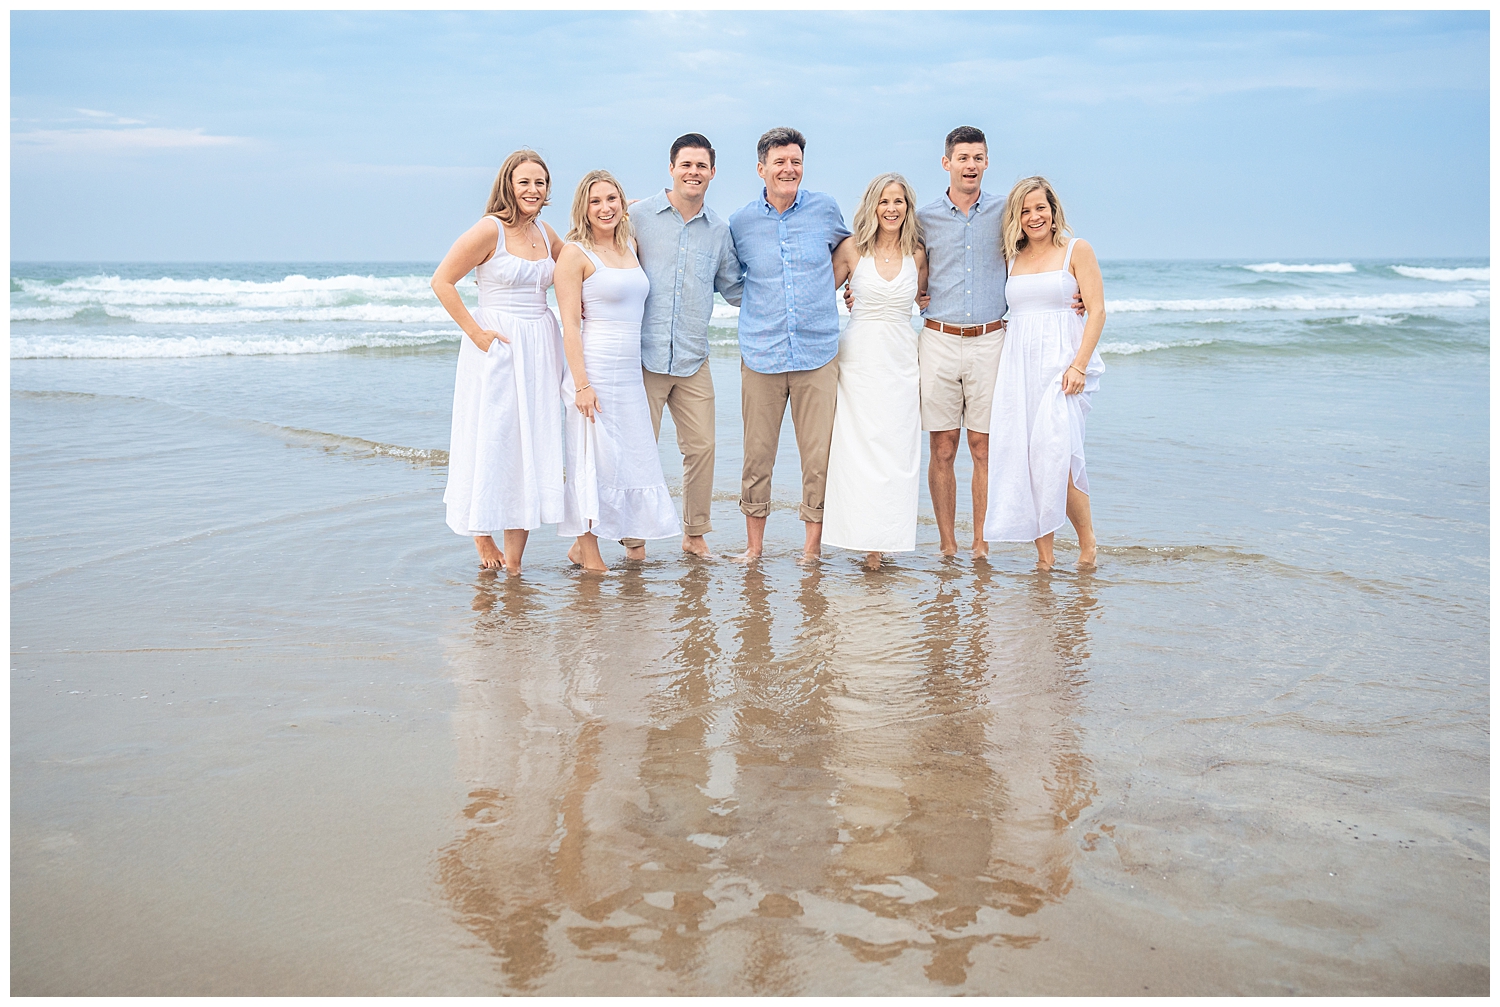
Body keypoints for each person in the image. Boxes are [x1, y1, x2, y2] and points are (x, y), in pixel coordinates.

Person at [432, 149, 567, 575]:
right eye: (524, 181)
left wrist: (625, 213)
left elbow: (578, 262)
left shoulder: (546, 233)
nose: (533, 189)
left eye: (540, 183)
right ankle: (480, 532)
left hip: (541, 344)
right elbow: (442, 281)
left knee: (531, 444)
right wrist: (476, 335)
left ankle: (514, 561)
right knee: (494, 439)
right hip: (498, 346)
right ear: (508, 184)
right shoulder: (489, 229)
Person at [728, 127, 853, 563]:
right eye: (779, 162)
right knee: (756, 458)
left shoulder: (825, 209)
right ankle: (754, 549)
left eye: (795, 161)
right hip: (761, 355)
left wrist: (844, 287)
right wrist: (766, 305)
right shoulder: (741, 223)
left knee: (818, 458)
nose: (788, 169)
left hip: (818, 353)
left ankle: (811, 550)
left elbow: (854, 248)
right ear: (761, 168)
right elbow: (730, 281)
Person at [620, 133, 743, 561]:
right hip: (642, 355)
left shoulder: (720, 230)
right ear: (671, 168)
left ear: (712, 172)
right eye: (686, 165)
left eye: (701, 166)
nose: (694, 172)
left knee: (702, 448)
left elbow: (735, 289)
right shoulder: (635, 216)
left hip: (693, 357)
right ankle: (633, 535)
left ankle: (694, 533)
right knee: (640, 448)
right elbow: (594, 255)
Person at [554, 170, 681, 572]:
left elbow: (652, 202)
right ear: (583, 209)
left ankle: (604, 544)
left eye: (612, 199)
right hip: (594, 368)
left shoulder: (630, 244)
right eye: (595, 201)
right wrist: (581, 384)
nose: (605, 208)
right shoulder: (574, 254)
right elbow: (570, 324)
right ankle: (587, 548)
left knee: (628, 458)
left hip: (628, 373)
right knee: (591, 458)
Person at [984, 176, 1105, 570]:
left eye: (1040, 208)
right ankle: (1045, 558)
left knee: (1059, 457)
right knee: (1028, 460)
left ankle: (1088, 546)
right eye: (1025, 210)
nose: (1034, 217)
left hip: (1062, 367)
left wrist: (1079, 366)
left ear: (1053, 212)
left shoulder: (1076, 249)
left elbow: (1097, 311)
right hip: (1018, 368)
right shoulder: (1010, 257)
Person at [824, 173, 928, 570]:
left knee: (897, 450)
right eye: (884, 201)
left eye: (898, 201)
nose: (891, 208)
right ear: (872, 206)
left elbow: (930, 298)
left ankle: (888, 539)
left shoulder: (917, 253)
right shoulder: (852, 249)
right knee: (857, 447)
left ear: (907, 207)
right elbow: (819, 295)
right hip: (859, 358)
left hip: (902, 357)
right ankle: (862, 542)